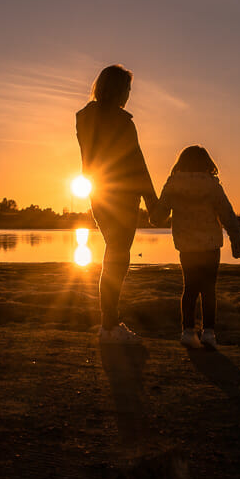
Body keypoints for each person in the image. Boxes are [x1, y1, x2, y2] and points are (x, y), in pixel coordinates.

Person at [75, 64, 160, 344]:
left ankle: (109, 323)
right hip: (121, 194)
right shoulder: (123, 122)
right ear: (117, 89)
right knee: (118, 257)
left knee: (114, 253)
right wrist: (152, 201)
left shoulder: (84, 118)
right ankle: (110, 325)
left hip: (98, 192)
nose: (129, 95)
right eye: (127, 89)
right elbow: (137, 161)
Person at [154, 145, 240, 349]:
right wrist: (237, 239)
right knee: (208, 289)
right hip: (210, 244)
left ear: (181, 163)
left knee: (190, 288)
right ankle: (209, 333)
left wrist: (152, 212)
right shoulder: (212, 185)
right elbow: (227, 214)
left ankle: (187, 332)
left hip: (186, 245)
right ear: (207, 163)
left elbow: (159, 215)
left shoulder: (173, 184)